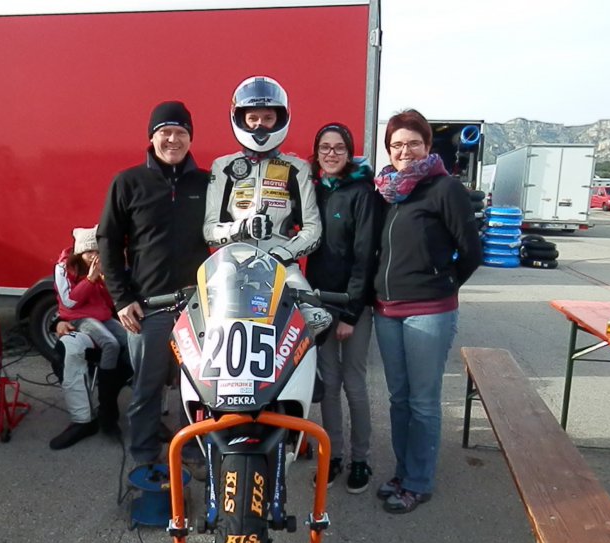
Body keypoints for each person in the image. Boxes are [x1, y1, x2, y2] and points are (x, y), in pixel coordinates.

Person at [373, 109, 482, 514]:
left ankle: (418, 482)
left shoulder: (445, 188)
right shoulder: (387, 191)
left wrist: (442, 283)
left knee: (422, 402)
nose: (405, 151)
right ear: (388, 149)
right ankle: (403, 472)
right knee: (398, 399)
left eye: (413, 143)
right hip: (387, 310)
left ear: (427, 145)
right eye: (397, 144)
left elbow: (471, 251)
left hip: (428, 311)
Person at [97, 100, 210, 475]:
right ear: (152, 137)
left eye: (180, 132)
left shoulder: (207, 183)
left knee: (197, 386)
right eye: (165, 132)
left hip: (198, 306)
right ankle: (145, 456)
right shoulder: (127, 182)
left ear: (190, 138)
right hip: (148, 306)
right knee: (147, 388)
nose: (173, 140)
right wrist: (122, 299)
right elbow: (108, 242)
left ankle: (193, 450)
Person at [202, 75, 330, 334]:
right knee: (205, 318)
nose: (260, 125)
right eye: (253, 118)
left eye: (268, 118)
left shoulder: (297, 168)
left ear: (280, 119)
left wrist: (282, 254)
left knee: (317, 318)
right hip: (231, 263)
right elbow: (209, 229)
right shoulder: (223, 166)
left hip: (282, 264)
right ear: (240, 119)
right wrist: (242, 228)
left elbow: (313, 229)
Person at [305, 123, 381, 493]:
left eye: (338, 148)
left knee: (353, 382)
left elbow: (365, 257)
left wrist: (350, 314)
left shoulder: (363, 193)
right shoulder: (313, 191)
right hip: (320, 302)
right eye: (325, 147)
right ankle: (332, 455)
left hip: (352, 306)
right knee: (329, 383)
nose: (331, 154)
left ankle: (360, 459)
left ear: (349, 153)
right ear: (317, 152)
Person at [49, 226, 129, 450]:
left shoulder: (111, 263)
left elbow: (111, 303)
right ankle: (94, 413)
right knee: (106, 344)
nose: (95, 256)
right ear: (80, 252)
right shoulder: (64, 268)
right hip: (79, 318)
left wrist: (107, 280)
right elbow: (70, 302)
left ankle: (133, 408)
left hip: (103, 317)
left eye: (98, 251)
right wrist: (92, 279)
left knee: (134, 343)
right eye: (90, 252)